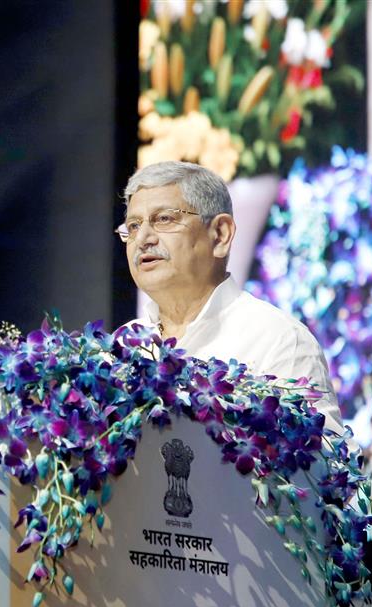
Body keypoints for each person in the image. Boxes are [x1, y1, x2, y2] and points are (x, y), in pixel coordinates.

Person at [120, 160, 344, 435]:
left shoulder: (279, 341)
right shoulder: (122, 345)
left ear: (220, 235)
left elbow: (327, 470)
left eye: (164, 219)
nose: (142, 239)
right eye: (132, 226)